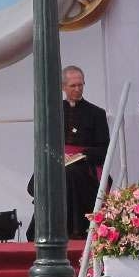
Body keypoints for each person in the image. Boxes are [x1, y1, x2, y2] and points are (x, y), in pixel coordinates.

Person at [27, 65, 109, 240]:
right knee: (53, 174)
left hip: (85, 165)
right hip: (56, 160)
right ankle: (46, 229)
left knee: (69, 173)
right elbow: (43, 143)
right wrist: (58, 155)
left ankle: (74, 229)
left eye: (80, 85)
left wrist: (83, 155)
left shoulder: (97, 113)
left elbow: (103, 148)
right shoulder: (50, 112)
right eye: (73, 86)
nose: (78, 89)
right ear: (63, 87)